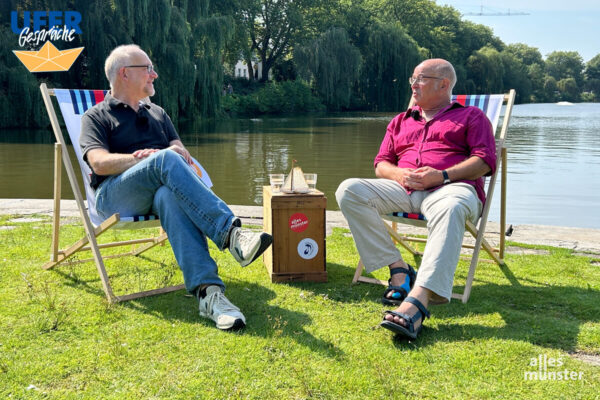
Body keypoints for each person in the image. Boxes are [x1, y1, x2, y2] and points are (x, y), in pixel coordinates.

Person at [80, 44, 273, 331]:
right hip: (115, 196)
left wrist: (175, 150)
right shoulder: (96, 116)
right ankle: (231, 234)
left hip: (157, 193)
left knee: (169, 194)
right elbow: (98, 163)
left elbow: (175, 144)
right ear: (124, 74)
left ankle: (210, 295)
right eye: (147, 68)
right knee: (165, 159)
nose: (154, 74)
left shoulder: (158, 113)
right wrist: (140, 159)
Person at [335, 58, 496, 339]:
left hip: (451, 188)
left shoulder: (471, 117)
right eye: (412, 78)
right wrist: (399, 175)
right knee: (349, 190)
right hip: (404, 188)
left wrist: (442, 176)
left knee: (452, 206)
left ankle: (419, 299)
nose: (413, 84)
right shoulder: (401, 120)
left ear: (444, 84)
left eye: (420, 78)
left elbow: (484, 161)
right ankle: (398, 267)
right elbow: (381, 163)